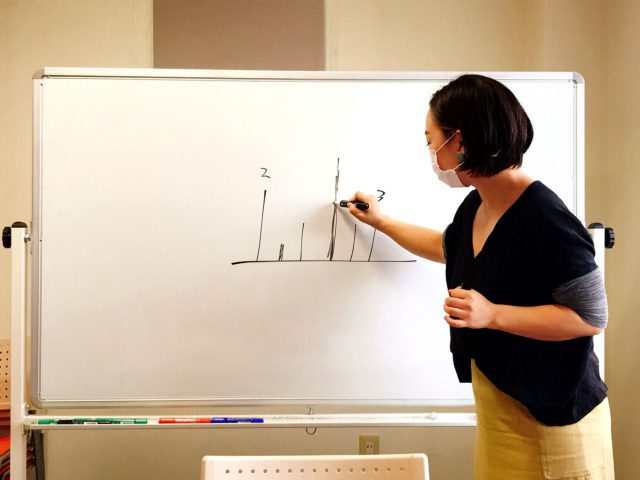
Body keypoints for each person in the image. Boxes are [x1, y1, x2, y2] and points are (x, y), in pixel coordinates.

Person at [347, 74, 614, 480]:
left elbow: (591, 316)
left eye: (431, 141)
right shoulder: (477, 205)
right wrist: (380, 222)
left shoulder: (546, 219)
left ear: (459, 141)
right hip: (501, 408)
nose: (431, 153)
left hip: (557, 421)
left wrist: (493, 314)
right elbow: (447, 247)